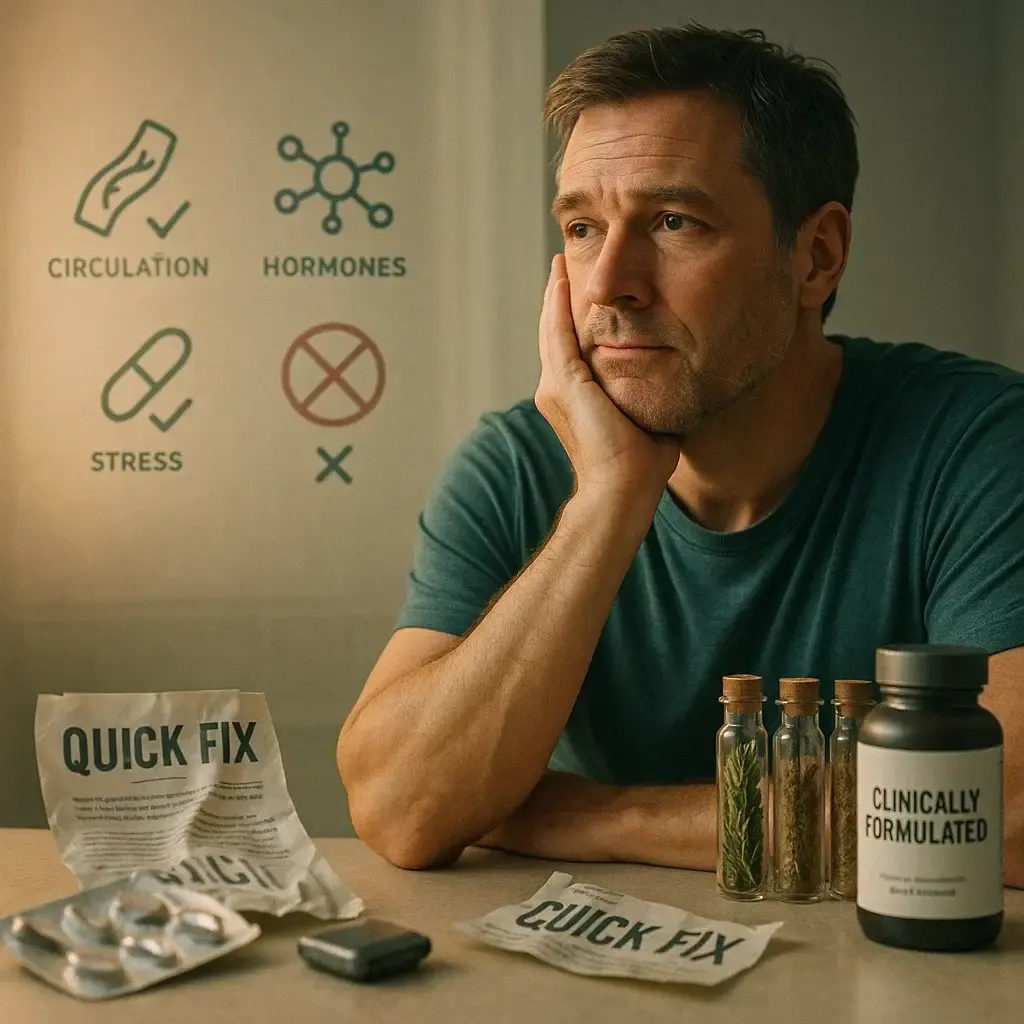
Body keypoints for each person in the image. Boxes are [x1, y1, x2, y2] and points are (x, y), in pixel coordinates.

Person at [337, 24, 1024, 884]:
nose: (609, 282)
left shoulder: (983, 443)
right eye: (582, 227)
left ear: (817, 257)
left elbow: (1006, 808)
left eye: (672, 221)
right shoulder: (513, 463)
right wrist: (610, 499)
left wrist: (598, 815)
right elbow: (402, 808)